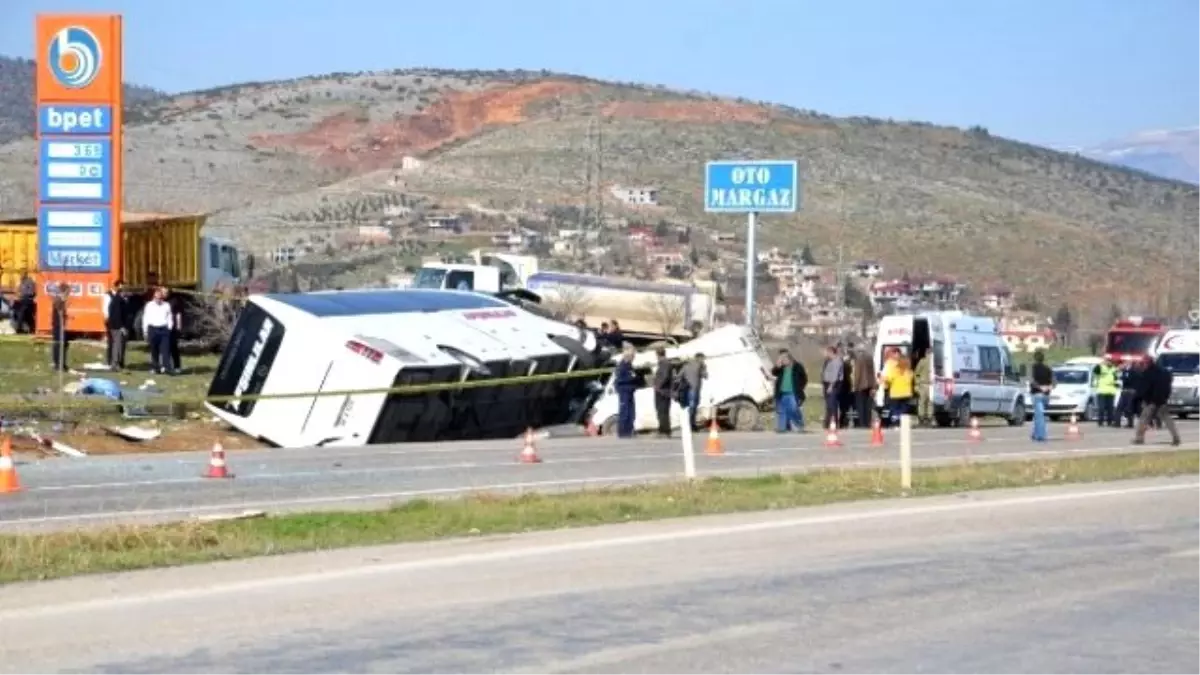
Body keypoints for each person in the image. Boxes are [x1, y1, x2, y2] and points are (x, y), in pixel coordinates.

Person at [1133, 357, 1181, 446]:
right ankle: (1176, 437)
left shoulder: (1147, 373)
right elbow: (1168, 386)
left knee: (1143, 419)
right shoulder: (1165, 372)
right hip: (1162, 400)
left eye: (1143, 364)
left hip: (1151, 400)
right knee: (1167, 419)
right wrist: (1165, 397)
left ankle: (1139, 439)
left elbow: (1145, 388)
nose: (1142, 366)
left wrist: (1140, 397)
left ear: (1147, 364)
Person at [771, 349, 807, 433]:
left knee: (793, 409)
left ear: (789, 359)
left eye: (784, 360)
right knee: (782, 411)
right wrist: (777, 365)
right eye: (782, 360)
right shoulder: (781, 368)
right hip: (782, 392)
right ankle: (782, 428)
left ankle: (800, 424)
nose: (783, 362)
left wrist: (800, 387)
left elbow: (804, 378)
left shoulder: (797, 366)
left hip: (792, 392)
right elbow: (773, 372)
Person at [142, 287, 175, 375]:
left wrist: (169, 327)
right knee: (154, 350)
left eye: (160, 298)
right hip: (153, 329)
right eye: (157, 298)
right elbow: (145, 318)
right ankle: (156, 368)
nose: (158, 299)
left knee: (165, 349)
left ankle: (167, 368)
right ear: (154, 297)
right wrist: (145, 330)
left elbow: (169, 317)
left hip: (164, 329)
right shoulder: (149, 305)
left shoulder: (166, 305)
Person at [1029, 349, 1054, 442]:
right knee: (1038, 414)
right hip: (1046, 395)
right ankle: (1035, 433)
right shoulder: (1048, 369)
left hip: (1037, 393)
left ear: (1035, 358)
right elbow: (1054, 382)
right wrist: (1049, 387)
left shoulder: (1033, 368)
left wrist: (1040, 387)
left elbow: (1032, 381)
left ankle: (1041, 435)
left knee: (1039, 415)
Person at [613, 343, 638, 438]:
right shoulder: (622, 366)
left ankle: (629, 431)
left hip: (630, 391)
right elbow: (619, 380)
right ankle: (623, 432)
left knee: (631, 413)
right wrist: (631, 378)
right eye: (632, 355)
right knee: (625, 412)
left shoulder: (629, 365)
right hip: (624, 392)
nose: (633, 357)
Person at [102, 280, 128, 370]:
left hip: (117, 325)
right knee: (116, 345)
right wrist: (121, 327)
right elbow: (117, 314)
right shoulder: (117, 300)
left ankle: (118, 362)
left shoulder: (119, 299)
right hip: (116, 326)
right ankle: (114, 363)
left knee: (119, 344)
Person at [882, 355, 915, 421]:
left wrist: (885, 384)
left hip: (895, 394)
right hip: (906, 394)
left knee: (894, 409)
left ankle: (895, 421)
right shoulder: (909, 371)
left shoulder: (894, 370)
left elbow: (889, 379)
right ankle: (900, 420)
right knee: (903, 409)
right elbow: (912, 379)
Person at [679, 353, 707, 431]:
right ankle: (692, 425)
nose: (704, 360)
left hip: (688, 389)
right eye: (703, 359)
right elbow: (705, 376)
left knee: (690, 407)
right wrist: (704, 368)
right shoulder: (699, 366)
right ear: (699, 358)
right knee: (693, 407)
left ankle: (690, 424)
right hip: (695, 389)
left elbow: (679, 376)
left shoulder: (686, 365)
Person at [851, 346, 875, 428]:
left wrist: (855, 386)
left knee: (860, 405)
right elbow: (872, 372)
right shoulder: (870, 358)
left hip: (861, 385)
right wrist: (873, 386)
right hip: (869, 385)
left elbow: (858, 374)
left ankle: (862, 423)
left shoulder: (859, 360)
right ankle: (868, 422)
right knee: (868, 406)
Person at [820, 345, 844, 430]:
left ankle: (833, 423)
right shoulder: (829, 361)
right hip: (827, 383)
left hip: (833, 384)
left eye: (826, 352)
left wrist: (831, 386)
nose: (825, 354)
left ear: (831, 352)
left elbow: (835, 375)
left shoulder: (837, 361)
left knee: (832, 404)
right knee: (828, 405)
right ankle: (828, 423)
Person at [652, 346, 673, 438]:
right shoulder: (663, 363)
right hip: (662, 390)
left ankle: (665, 430)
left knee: (663, 411)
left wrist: (658, 386)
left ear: (658, 354)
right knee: (660, 411)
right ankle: (662, 429)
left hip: (663, 391)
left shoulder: (665, 363)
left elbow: (665, 376)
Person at [49, 282, 70, 372]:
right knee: (59, 345)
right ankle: (58, 364)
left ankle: (62, 363)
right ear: (64, 292)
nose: (69, 295)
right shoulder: (58, 301)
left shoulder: (61, 301)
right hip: (58, 326)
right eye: (68, 292)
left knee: (64, 344)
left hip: (61, 326)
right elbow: (59, 314)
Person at [1094, 356, 1119, 427]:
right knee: (1101, 408)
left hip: (1111, 391)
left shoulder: (1114, 369)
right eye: (1108, 361)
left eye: (1110, 361)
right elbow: (1095, 371)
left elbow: (1116, 378)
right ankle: (1100, 422)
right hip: (1101, 391)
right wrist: (1100, 363)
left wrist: (1116, 384)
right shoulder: (1101, 367)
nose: (1109, 362)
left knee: (1110, 408)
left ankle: (1110, 421)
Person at [1115, 360, 1138, 428]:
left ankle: (1130, 424)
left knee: (1128, 408)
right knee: (1120, 408)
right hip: (1125, 391)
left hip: (1130, 391)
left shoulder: (1132, 371)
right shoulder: (1125, 371)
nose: (1123, 365)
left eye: (1125, 363)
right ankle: (1117, 423)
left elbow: (1129, 380)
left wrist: (1121, 377)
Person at [166, 289, 184, 372]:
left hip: (172, 327)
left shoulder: (174, 301)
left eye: (166, 291)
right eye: (163, 291)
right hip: (162, 326)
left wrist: (179, 325)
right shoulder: (160, 300)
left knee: (173, 347)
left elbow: (178, 314)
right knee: (164, 347)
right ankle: (166, 365)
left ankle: (177, 366)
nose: (164, 293)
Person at [914, 350, 933, 426]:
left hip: (923, 384)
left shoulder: (922, 361)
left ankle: (922, 419)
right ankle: (929, 418)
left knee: (922, 402)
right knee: (930, 403)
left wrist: (917, 383)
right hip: (932, 385)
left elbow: (916, 373)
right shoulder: (934, 362)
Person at [837, 347, 855, 428]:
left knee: (844, 408)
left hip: (845, 388)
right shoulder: (846, 365)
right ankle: (843, 422)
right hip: (846, 388)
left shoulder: (844, 364)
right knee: (845, 408)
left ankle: (843, 422)